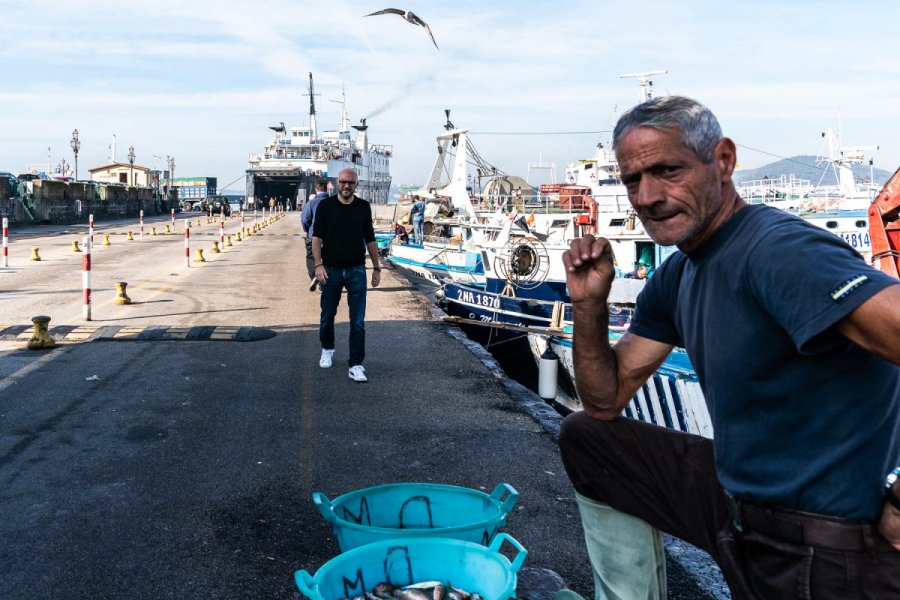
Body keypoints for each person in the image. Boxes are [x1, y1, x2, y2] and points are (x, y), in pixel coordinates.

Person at [560, 96, 900, 599]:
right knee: (588, 438)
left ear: (723, 161)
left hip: (832, 546)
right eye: (632, 180)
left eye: (667, 170)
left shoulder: (778, 252)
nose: (647, 196)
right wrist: (589, 306)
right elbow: (604, 402)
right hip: (741, 509)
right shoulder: (681, 271)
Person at [311, 168, 381, 383]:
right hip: (330, 269)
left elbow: (370, 239)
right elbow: (316, 238)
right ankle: (327, 348)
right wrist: (318, 265)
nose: (346, 186)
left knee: (358, 321)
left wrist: (377, 268)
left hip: (356, 270)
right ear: (337, 183)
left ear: (356, 184)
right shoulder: (326, 206)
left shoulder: (363, 207)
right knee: (327, 315)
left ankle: (356, 364)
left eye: (350, 182)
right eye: (343, 182)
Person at [302, 179, 329, 291]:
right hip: (330, 236)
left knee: (311, 257)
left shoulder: (311, 203)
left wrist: (307, 230)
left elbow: (305, 219)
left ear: (316, 189)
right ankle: (324, 283)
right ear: (326, 189)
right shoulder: (333, 202)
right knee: (328, 258)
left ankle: (314, 276)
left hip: (313, 235)